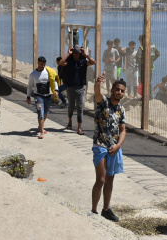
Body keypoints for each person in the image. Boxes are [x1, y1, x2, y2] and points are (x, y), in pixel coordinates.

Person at [91, 73, 127, 222]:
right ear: (112, 90)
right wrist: (98, 83)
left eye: (122, 91)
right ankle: (93, 210)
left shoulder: (121, 110)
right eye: (117, 89)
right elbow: (97, 93)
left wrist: (118, 145)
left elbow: (123, 130)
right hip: (100, 145)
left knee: (110, 180)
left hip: (113, 148)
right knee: (100, 179)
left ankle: (106, 209)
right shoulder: (103, 102)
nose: (119, 92)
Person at [58, 44, 96, 135]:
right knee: (71, 106)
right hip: (70, 87)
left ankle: (79, 128)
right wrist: (68, 54)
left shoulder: (83, 61)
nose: (76, 55)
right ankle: (70, 121)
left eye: (77, 53)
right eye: (74, 53)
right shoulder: (69, 61)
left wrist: (86, 54)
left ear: (80, 53)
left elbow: (93, 62)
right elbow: (61, 63)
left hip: (80, 87)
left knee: (80, 108)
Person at [27, 57, 58, 139]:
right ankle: (41, 131)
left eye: (44, 64)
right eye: (41, 64)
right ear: (38, 63)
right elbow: (30, 86)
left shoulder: (48, 71)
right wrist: (28, 96)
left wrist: (56, 90)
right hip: (38, 96)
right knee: (40, 113)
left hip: (47, 96)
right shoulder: (33, 74)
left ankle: (40, 126)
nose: (42, 66)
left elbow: (54, 81)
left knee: (45, 112)